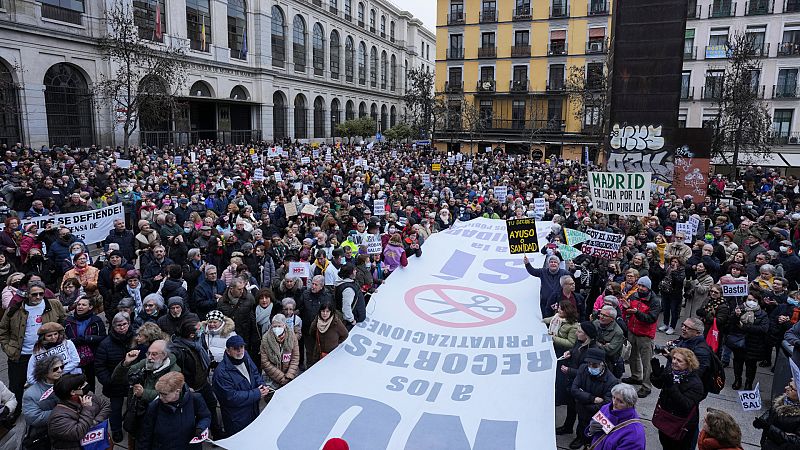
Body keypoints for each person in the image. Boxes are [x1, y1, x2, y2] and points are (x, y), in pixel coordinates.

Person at [0, 280, 65, 417]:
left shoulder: (54, 304)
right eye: (34, 294)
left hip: (46, 353)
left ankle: (54, 410)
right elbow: (3, 329)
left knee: (52, 381)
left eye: (41, 294)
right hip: (20, 354)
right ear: (27, 294)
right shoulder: (15, 309)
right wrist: (8, 347)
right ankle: (15, 412)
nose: (38, 297)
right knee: (16, 385)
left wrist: (59, 341)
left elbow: (63, 322)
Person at [111, 340, 181, 443]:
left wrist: (144, 393)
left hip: (156, 419)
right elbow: (116, 379)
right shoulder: (145, 363)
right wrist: (126, 363)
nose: (149, 357)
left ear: (164, 355)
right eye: (148, 353)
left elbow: (169, 395)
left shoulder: (174, 371)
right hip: (136, 414)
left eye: (154, 354)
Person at [170, 319, 221, 439]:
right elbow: (177, 372)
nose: (202, 330)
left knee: (211, 405)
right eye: (199, 329)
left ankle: (217, 433)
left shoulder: (198, 342)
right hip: (191, 388)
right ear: (191, 334)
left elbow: (205, 355)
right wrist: (186, 387)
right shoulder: (178, 350)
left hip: (203, 383)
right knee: (197, 412)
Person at [212, 335, 270, 437]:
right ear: (228, 351)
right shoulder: (221, 373)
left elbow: (255, 374)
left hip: (252, 410)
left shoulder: (246, 356)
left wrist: (262, 385)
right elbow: (231, 397)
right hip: (237, 418)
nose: (239, 350)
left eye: (241, 347)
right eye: (235, 348)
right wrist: (257, 393)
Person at [138, 372, 212, 450]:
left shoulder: (195, 399)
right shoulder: (154, 406)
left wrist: (201, 427)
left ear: (177, 391)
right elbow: (146, 435)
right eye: (159, 393)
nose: (160, 397)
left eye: (164, 394)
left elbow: (205, 416)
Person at [651, 347, 705, 450]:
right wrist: (656, 375)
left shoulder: (696, 384)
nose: (674, 362)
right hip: (665, 418)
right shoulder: (671, 371)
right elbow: (660, 385)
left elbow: (686, 405)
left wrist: (671, 386)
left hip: (681, 425)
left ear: (689, 364)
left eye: (679, 360)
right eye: (674, 358)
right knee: (665, 445)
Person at [94, 311, 133, 443]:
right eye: (118, 325)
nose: (122, 327)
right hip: (115, 383)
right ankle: (116, 430)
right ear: (113, 326)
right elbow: (99, 366)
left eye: (124, 324)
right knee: (115, 408)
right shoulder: (105, 344)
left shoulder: (136, 339)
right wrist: (107, 381)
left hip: (132, 381)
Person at [568, 347, 619, 449]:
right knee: (581, 424)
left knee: (593, 434)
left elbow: (606, 403)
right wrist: (592, 399)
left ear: (602, 364)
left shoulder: (611, 381)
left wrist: (583, 400)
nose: (591, 367)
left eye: (594, 365)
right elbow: (574, 389)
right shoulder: (583, 369)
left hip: (596, 415)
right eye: (589, 364)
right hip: (582, 409)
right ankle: (580, 438)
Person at [556, 321, 599, 436]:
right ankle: (567, 427)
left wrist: (569, 371)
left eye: (579, 332)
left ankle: (581, 436)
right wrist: (569, 352)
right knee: (571, 406)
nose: (576, 333)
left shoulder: (592, 350)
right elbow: (574, 350)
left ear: (587, 335)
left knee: (581, 413)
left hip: (583, 385)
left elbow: (587, 371)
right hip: (573, 381)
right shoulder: (580, 342)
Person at [621, 276, 661, 398]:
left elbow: (651, 318)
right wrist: (627, 308)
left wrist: (636, 312)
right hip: (633, 331)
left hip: (645, 335)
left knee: (646, 362)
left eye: (643, 286)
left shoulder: (654, 301)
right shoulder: (634, 295)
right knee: (633, 357)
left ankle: (646, 386)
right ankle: (636, 376)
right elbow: (629, 310)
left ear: (648, 288)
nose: (640, 288)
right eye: (639, 285)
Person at [47, 373, 111, 450]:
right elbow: (78, 433)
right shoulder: (57, 418)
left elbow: (106, 406)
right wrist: (87, 409)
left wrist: (95, 422)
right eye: (83, 385)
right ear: (73, 392)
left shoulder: (88, 395)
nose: (86, 385)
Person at [63, 296, 106, 392]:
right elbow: (63, 338)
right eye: (78, 304)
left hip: (91, 357)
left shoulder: (96, 321)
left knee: (89, 382)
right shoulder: (68, 321)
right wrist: (74, 341)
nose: (80, 307)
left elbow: (103, 337)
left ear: (90, 307)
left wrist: (87, 339)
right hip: (73, 357)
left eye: (83, 305)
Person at [586, 383, 646, 450]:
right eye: (614, 397)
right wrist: (590, 431)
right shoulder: (606, 408)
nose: (614, 403)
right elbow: (593, 435)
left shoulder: (634, 434)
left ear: (630, 404)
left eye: (620, 401)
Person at [21, 354, 61, 450]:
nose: (60, 370)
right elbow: (34, 417)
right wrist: (62, 412)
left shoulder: (66, 384)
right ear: (45, 372)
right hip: (43, 436)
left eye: (61, 367)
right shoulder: (31, 394)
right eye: (55, 369)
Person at [729, 298, 769, 390]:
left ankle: (748, 382)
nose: (751, 302)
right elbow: (731, 323)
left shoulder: (762, 314)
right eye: (749, 299)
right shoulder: (739, 309)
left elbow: (764, 329)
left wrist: (745, 327)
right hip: (739, 342)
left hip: (754, 344)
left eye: (754, 300)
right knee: (738, 362)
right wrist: (736, 316)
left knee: (751, 365)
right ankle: (737, 380)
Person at [753, 377, 800, 449]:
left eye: (791, 388)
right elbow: (772, 411)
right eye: (788, 385)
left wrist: (770, 428)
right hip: (767, 444)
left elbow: (796, 442)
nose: (786, 388)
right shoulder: (783, 400)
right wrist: (762, 419)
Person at [260, 314, 300, 390]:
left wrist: (289, 376)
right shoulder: (265, 339)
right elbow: (265, 362)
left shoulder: (292, 337)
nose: (277, 328)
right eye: (274, 326)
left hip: (290, 374)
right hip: (271, 376)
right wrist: (281, 378)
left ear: (284, 325)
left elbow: (295, 358)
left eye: (279, 326)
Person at [307, 301, 349, 367]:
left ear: (331, 312)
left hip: (331, 356)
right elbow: (311, 332)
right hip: (318, 354)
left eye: (327, 311)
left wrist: (336, 342)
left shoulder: (336, 322)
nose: (325, 313)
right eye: (323, 311)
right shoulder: (317, 320)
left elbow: (345, 334)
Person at [334, 264, 366, 330]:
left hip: (356, 315)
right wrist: (351, 320)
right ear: (350, 273)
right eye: (354, 270)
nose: (356, 271)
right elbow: (346, 307)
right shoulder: (348, 289)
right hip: (353, 321)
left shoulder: (348, 283)